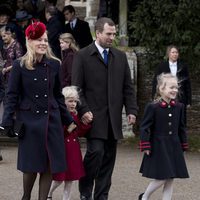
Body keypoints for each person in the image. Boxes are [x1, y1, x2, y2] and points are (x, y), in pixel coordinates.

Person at [0, 21, 76, 200]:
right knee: (31, 166)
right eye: (38, 39)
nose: (42, 43)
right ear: (29, 41)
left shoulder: (55, 64)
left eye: (45, 40)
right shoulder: (19, 65)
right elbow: (11, 95)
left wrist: (68, 119)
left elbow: (58, 96)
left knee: (49, 165)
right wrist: (6, 122)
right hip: (29, 123)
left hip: (52, 121)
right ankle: (26, 196)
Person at [72, 17, 138, 200]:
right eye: (109, 34)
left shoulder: (120, 56)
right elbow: (77, 88)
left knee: (108, 159)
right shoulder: (82, 56)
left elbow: (128, 88)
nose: (112, 37)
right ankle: (85, 190)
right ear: (98, 33)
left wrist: (132, 110)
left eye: (114, 34)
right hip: (93, 118)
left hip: (113, 119)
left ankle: (102, 195)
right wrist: (83, 110)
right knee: (96, 152)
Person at [139, 73, 189, 200]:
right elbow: (145, 127)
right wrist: (145, 144)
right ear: (161, 88)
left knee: (170, 178)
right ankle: (145, 197)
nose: (175, 90)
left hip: (174, 145)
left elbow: (181, 127)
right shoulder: (153, 107)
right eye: (171, 87)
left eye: (176, 88)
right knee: (163, 177)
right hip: (158, 146)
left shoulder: (179, 107)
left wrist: (183, 145)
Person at [48, 86, 91, 200]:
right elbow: (58, 134)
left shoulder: (75, 115)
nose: (73, 104)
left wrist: (85, 124)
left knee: (70, 179)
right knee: (58, 179)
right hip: (63, 150)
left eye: (75, 101)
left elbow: (79, 132)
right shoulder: (59, 115)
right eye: (70, 101)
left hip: (73, 150)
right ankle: (49, 193)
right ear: (64, 101)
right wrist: (68, 129)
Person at [152, 45, 192, 124]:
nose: (175, 54)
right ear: (168, 54)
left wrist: (188, 101)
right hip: (166, 96)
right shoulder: (161, 66)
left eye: (176, 52)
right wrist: (155, 96)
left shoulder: (183, 66)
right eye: (173, 52)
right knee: (166, 117)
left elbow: (187, 84)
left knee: (181, 119)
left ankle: (181, 135)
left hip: (181, 97)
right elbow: (156, 82)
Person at [0, 24, 23, 104]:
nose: (3, 39)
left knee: (13, 99)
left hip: (14, 75)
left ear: (10, 34)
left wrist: (7, 68)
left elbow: (19, 62)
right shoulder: (5, 46)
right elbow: (5, 59)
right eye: (2, 37)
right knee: (6, 99)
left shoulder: (17, 45)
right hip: (5, 76)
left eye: (4, 36)